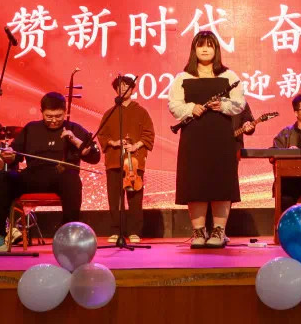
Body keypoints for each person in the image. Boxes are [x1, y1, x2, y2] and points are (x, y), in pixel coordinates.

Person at [0, 91, 101, 252]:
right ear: (41, 112)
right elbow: (14, 156)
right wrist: (9, 155)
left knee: (72, 180)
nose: (54, 120)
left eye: (58, 116)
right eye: (49, 116)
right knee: (4, 178)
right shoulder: (31, 128)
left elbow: (95, 157)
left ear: (65, 112)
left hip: (62, 177)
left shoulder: (74, 128)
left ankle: (68, 236)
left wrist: (74, 140)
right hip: (33, 176)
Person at [168, 31, 246, 249]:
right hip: (193, 136)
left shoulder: (229, 75)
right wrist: (191, 108)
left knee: (220, 182)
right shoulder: (183, 77)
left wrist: (222, 105)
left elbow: (239, 104)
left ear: (216, 50)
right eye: (200, 45)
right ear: (194, 49)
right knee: (195, 182)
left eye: (209, 45)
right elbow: (174, 105)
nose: (205, 49)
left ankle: (218, 231)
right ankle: (199, 232)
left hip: (221, 136)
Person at [97, 73, 155, 244]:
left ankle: (135, 231)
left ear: (133, 89)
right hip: (114, 160)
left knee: (135, 197)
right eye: (119, 87)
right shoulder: (110, 113)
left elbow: (149, 134)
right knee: (115, 198)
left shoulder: (141, 112)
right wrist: (113, 142)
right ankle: (116, 230)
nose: (122, 89)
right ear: (115, 90)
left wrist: (136, 145)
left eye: (126, 86)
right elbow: (102, 135)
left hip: (134, 161)